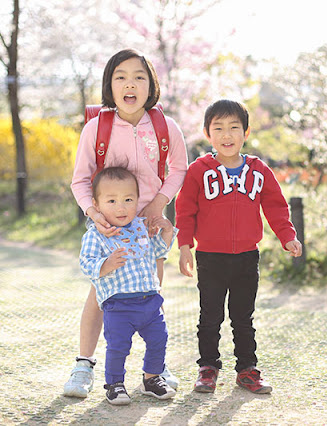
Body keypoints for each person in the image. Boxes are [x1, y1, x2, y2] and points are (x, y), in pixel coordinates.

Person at [67, 48, 188, 398]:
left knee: (151, 296)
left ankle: (155, 369)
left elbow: (179, 167)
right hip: (111, 228)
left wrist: (160, 203)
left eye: (139, 76)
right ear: (110, 85)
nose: (129, 83)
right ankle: (84, 364)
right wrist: (95, 214)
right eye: (120, 76)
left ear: (151, 85)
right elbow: (80, 180)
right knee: (101, 294)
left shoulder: (166, 127)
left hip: (149, 227)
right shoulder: (97, 128)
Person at [175, 99, 303, 394]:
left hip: (247, 257)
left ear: (245, 132)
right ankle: (208, 368)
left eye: (234, 127)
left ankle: (247, 369)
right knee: (210, 317)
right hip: (210, 257)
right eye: (218, 128)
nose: (227, 134)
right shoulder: (199, 170)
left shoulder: (258, 170)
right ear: (208, 134)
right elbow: (185, 210)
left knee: (243, 318)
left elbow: (276, 206)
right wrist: (184, 246)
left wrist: (287, 236)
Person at [79, 166, 177, 405]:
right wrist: (106, 264)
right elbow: (86, 263)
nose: (121, 207)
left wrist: (166, 232)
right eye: (111, 200)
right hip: (118, 305)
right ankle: (114, 384)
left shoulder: (142, 227)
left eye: (128, 200)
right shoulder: (97, 234)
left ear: (137, 200)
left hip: (150, 302)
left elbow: (157, 251)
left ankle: (152, 379)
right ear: (96, 204)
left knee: (159, 339)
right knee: (118, 346)